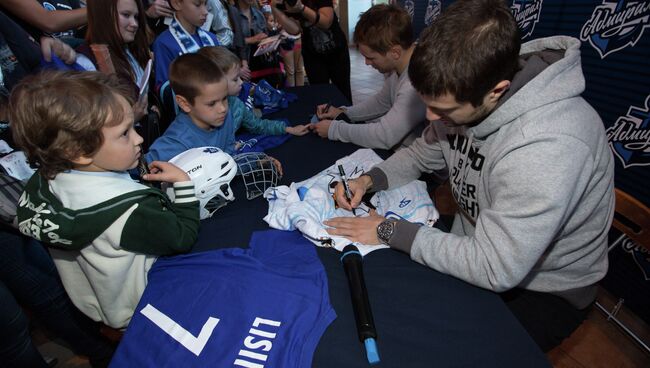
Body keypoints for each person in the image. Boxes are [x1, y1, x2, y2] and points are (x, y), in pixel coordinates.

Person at [324, 0, 614, 352]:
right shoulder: (464, 92)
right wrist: (367, 180)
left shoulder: (551, 145)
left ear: (496, 90)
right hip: (477, 238)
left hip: (547, 289)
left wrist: (387, 229)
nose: (430, 118)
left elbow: (495, 266)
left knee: (440, 351)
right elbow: (420, 153)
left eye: (443, 110)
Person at [10, 71, 200, 329]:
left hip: (101, 303)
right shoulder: (129, 209)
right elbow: (182, 237)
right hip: (149, 308)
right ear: (77, 151)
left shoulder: (44, 180)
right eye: (124, 133)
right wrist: (183, 184)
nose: (139, 138)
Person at [146, 51, 308, 163]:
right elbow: (144, 169)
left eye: (224, 99)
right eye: (212, 103)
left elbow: (229, 151)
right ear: (184, 103)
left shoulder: (226, 115)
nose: (223, 108)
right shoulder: (177, 141)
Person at [310, 4, 426, 150]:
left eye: (371, 58)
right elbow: (381, 102)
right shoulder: (400, 63)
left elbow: (384, 136)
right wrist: (343, 112)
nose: (366, 63)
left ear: (395, 52)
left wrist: (334, 129)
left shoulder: (414, 83)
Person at [80, 0, 153, 122]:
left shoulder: (129, 50)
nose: (134, 23)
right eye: (126, 15)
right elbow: (93, 124)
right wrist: (131, 120)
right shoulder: (86, 61)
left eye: (136, 17)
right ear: (104, 15)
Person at [272, 0, 351, 102]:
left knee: (342, 91)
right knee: (319, 93)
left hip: (336, 51)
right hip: (312, 54)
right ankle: (324, 117)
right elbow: (295, 30)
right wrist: (275, 9)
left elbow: (326, 22)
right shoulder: (288, 2)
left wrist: (302, 8)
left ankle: (346, 116)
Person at [152, 0, 218, 87]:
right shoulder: (164, 43)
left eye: (205, 4)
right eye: (197, 5)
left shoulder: (211, 38)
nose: (205, 11)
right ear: (177, 3)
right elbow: (165, 89)